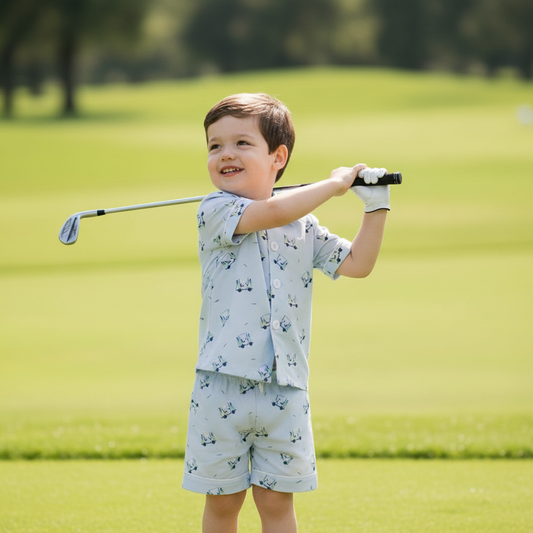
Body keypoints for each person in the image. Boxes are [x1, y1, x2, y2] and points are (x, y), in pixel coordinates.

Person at [183, 93, 390, 533]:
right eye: (215, 146)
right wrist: (335, 185)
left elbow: (358, 264)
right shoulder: (215, 211)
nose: (225, 154)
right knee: (223, 506)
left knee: (277, 505)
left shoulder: (305, 226)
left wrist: (376, 207)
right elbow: (272, 210)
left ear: (278, 157)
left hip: (286, 387)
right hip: (223, 388)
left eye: (241, 143)